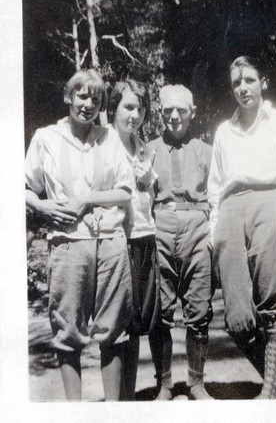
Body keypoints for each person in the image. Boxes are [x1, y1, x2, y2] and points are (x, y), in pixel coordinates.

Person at [208, 55, 276, 399]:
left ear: (263, 82)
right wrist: (216, 228)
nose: (243, 88)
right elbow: (215, 187)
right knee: (237, 314)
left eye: (249, 80)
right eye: (237, 83)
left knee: (274, 301)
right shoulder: (224, 131)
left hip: (269, 203)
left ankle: (269, 392)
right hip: (229, 211)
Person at [25, 69, 134, 401]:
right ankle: (76, 412)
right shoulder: (46, 138)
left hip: (110, 243)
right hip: (68, 245)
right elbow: (23, 188)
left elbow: (125, 192)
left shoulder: (109, 138)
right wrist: (43, 208)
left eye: (96, 98)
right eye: (82, 96)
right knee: (68, 330)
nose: (88, 104)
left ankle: (112, 410)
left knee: (113, 330)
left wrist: (88, 198)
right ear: (68, 96)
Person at [148, 84, 213, 400]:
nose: (174, 116)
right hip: (160, 230)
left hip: (197, 231)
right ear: (161, 112)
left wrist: (211, 234)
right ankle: (165, 385)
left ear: (192, 114)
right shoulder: (147, 151)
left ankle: (196, 384)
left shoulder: (206, 152)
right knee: (159, 311)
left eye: (181, 110)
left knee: (199, 311)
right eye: (168, 110)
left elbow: (218, 196)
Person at [107, 79, 160, 400]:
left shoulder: (144, 147)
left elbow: (150, 196)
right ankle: (120, 399)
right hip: (118, 240)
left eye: (141, 108)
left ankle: (130, 396)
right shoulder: (105, 145)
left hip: (145, 238)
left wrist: (146, 178)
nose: (135, 114)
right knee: (120, 321)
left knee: (139, 319)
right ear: (113, 108)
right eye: (128, 106)